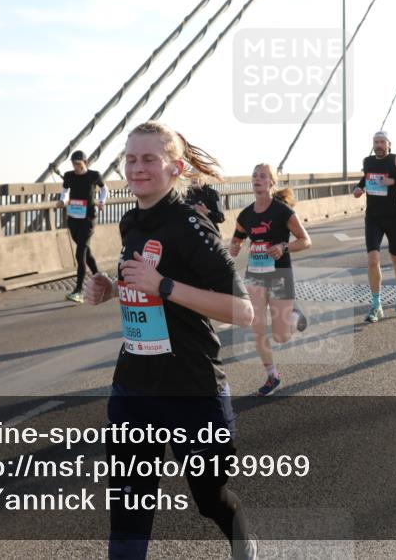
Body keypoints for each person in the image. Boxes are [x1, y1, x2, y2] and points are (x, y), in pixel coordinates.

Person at [84, 121, 258, 560]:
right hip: (133, 387)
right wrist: (112, 289)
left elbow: (242, 311)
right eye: (130, 159)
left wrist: (162, 285)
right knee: (128, 512)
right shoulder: (130, 223)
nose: (136, 168)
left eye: (148, 158)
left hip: (191, 389)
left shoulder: (192, 227)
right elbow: (143, 289)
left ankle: (243, 541)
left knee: (210, 498)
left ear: (175, 168)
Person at [229, 164, 311, 396]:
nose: (257, 179)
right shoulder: (245, 215)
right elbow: (237, 238)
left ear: (271, 182)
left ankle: (295, 316)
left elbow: (305, 240)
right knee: (257, 326)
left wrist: (284, 246)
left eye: (262, 176)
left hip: (279, 274)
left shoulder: (283, 212)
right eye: (254, 175)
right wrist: (234, 247)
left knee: (280, 336)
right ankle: (272, 376)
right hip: (255, 275)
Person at [353, 131, 396, 323]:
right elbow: (366, 179)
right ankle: (376, 305)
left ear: (389, 144)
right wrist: (358, 188)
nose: (378, 145)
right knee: (373, 260)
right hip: (373, 217)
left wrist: (393, 181)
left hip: (393, 217)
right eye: (376, 142)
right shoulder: (368, 161)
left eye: (382, 142)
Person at [57, 150, 107, 303]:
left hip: (88, 219)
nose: (76, 167)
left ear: (85, 163)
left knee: (80, 254)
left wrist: (102, 202)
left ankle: (78, 291)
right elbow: (65, 191)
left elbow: (104, 189)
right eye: (74, 164)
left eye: (78, 164)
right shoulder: (69, 176)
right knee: (85, 250)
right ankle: (100, 278)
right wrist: (62, 200)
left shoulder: (94, 175)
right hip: (73, 218)